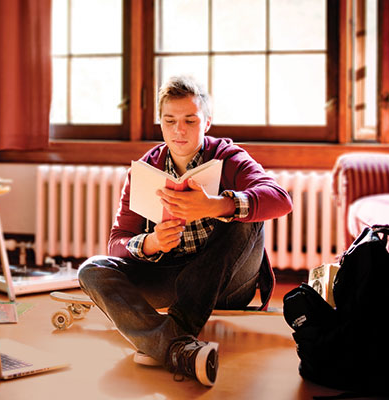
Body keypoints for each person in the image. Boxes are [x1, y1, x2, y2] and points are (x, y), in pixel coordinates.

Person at [77, 75, 293, 387]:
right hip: (170, 277)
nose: (179, 130)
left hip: (227, 283)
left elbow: (281, 200)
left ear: (206, 122)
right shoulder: (144, 170)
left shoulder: (229, 157)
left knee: (247, 220)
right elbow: (116, 243)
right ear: (160, 123)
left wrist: (218, 206)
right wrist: (150, 243)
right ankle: (178, 347)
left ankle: (172, 332)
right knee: (92, 268)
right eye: (170, 120)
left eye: (190, 120)